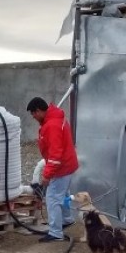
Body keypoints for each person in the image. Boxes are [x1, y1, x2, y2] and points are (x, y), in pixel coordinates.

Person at [26, 97, 78, 242]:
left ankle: (55, 232)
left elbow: (55, 154)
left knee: (53, 198)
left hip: (61, 167)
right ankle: (67, 219)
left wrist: (47, 175)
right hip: (67, 164)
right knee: (64, 194)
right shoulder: (53, 119)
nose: (33, 117)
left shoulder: (52, 125)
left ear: (39, 110)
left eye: (33, 113)